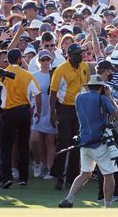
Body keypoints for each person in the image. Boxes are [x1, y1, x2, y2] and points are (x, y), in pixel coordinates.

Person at [58, 75, 118, 208]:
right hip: (100, 142)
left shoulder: (79, 98)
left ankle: (69, 199)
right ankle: (107, 207)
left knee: (85, 173)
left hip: (84, 142)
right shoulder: (102, 98)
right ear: (101, 87)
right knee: (108, 175)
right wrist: (109, 97)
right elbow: (117, 114)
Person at [0, 48, 42, 189]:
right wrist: (38, 112)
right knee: (23, 145)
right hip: (24, 111)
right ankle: (23, 178)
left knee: (6, 146)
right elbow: (38, 94)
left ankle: (6, 177)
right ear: (19, 59)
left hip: (9, 112)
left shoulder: (2, 74)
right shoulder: (27, 75)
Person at [49, 43, 90, 190]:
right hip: (65, 108)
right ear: (70, 55)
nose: (81, 56)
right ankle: (58, 176)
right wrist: (53, 113)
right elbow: (53, 93)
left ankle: (72, 178)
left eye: (81, 53)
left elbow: (88, 87)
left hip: (81, 109)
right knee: (64, 141)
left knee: (77, 143)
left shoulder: (84, 67)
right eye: (78, 54)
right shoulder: (61, 70)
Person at [29, 50, 57, 180]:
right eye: (43, 60)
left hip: (51, 109)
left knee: (50, 140)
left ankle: (50, 168)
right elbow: (29, 94)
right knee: (35, 139)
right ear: (39, 61)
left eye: (48, 59)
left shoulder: (55, 75)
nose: (46, 62)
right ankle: (39, 162)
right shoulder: (33, 75)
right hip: (37, 110)